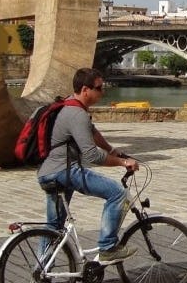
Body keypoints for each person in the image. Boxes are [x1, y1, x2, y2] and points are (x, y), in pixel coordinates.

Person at [37, 67, 140, 264]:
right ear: (86, 89)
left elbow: (91, 132)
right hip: (64, 172)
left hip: (47, 172)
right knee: (118, 193)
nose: (103, 92)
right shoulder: (77, 114)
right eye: (99, 88)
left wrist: (111, 150)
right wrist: (123, 162)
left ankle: (41, 271)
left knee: (53, 227)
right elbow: (91, 155)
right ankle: (108, 247)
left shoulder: (67, 105)